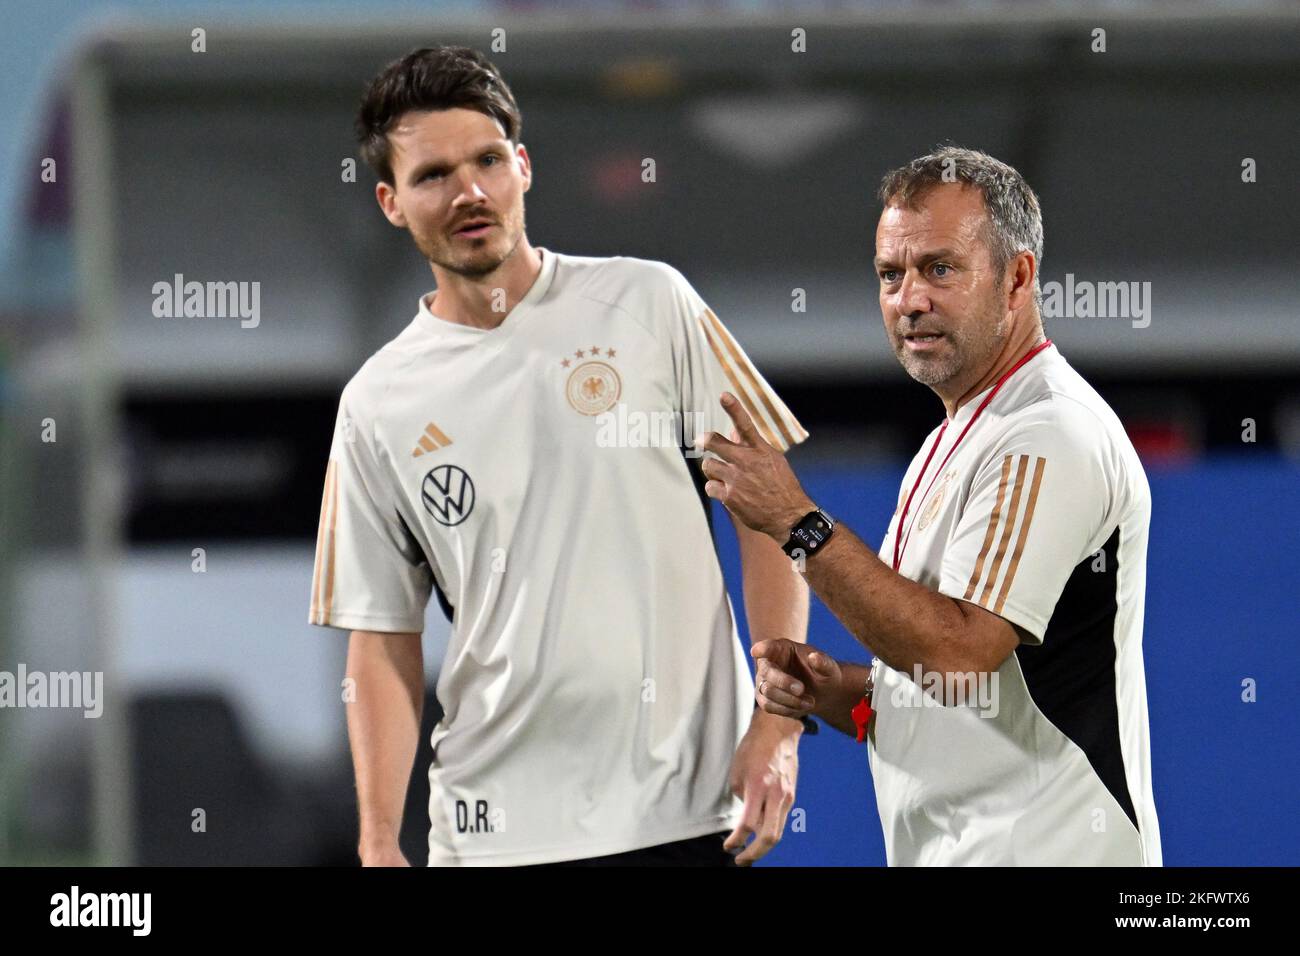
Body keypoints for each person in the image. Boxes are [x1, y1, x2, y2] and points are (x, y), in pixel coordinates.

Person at [309, 46, 811, 866]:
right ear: (391, 202)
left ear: (524, 167)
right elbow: (381, 638)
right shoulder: (376, 403)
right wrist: (375, 841)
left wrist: (779, 720)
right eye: (433, 175)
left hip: (684, 811)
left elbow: (773, 516)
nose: (469, 190)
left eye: (488, 160)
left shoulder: (650, 302)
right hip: (491, 833)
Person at [697, 147, 1162, 866]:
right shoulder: (958, 433)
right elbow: (953, 688)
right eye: (891, 274)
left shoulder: (1046, 432)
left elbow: (960, 650)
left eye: (939, 269)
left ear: (1017, 278)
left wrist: (795, 522)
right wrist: (844, 692)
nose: (909, 299)